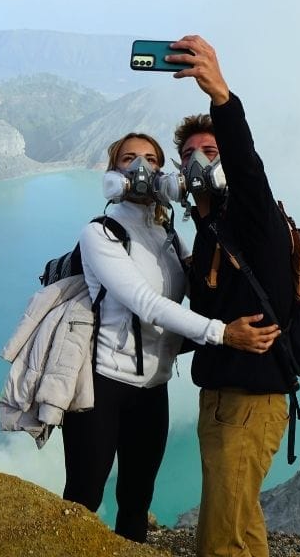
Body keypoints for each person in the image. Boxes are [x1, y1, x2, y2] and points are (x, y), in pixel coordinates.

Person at [61, 130, 279, 543]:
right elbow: (146, 303)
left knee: (137, 499)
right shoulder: (100, 234)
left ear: (164, 173)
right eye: (128, 159)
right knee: (83, 497)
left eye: (150, 159)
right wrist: (222, 334)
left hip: (152, 389)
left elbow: (203, 287)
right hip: (101, 386)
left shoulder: (167, 235)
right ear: (113, 171)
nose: (140, 167)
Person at [168, 34, 296, 557]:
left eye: (209, 151)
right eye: (190, 155)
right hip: (227, 399)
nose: (199, 161)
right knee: (239, 523)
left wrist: (220, 96)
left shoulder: (253, 218)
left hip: (247, 402)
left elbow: (247, 168)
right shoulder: (211, 229)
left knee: (220, 537)